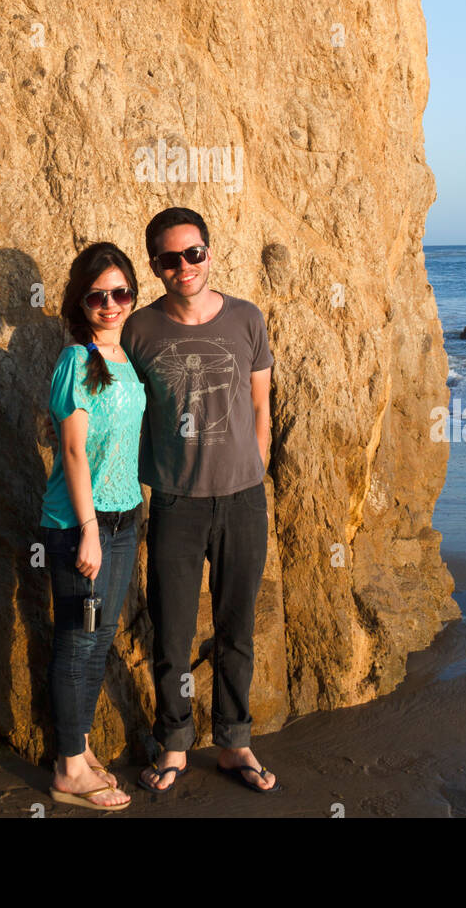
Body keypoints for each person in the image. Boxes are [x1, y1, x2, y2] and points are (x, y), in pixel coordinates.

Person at [122, 208, 281, 794]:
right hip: (175, 504)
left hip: (242, 500)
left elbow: (261, 404)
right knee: (172, 631)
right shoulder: (138, 330)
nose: (183, 266)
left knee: (237, 627)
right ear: (155, 267)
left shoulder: (246, 319)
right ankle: (174, 745)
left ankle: (235, 743)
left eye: (193, 253)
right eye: (169, 258)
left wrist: (256, 464)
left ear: (209, 254)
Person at [41, 242, 145, 810]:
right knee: (77, 640)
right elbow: (75, 452)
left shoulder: (125, 359)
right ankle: (67, 769)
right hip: (83, 522)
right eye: (98, 296)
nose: (110, 304)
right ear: (82, 303)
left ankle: (79, 750)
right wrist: (87, 529)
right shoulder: (74, 361)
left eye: (120, 293)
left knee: (98, 637)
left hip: (127, 516)